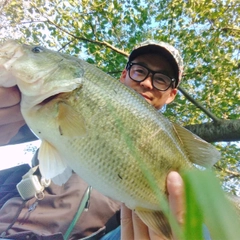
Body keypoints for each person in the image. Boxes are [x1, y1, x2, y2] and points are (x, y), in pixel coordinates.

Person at [0, 40, 185, 239]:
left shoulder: (171, 148)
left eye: (162, 79)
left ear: (171, 95)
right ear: (124, 75)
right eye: (139, 71)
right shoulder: (51, 100)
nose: (147, 83)